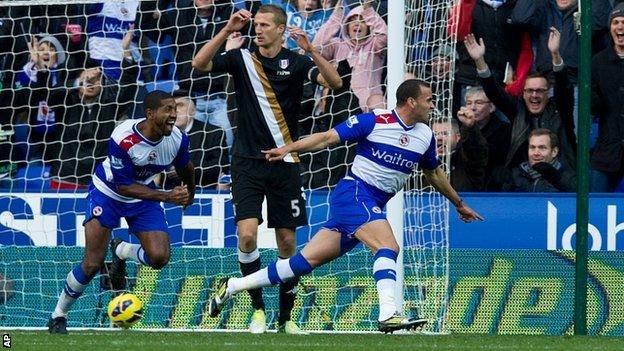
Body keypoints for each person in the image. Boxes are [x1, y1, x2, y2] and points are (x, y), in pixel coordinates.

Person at [206, 79, 484, 333]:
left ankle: (232, 286)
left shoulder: (424, 135)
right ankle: (389, 314)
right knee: (388, 247)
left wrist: (458, 204)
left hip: (372, 203)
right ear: (411, 102)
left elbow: (433, 173)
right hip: (354, 193)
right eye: (429, 99)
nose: (432, 104)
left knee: (303, 262)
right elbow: (328, 137)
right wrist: (289, 148)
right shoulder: (374, 121)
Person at [192, 5, 342, 334]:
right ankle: (258, 309)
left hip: (285, 162)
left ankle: (285, 318)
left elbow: (335, 82)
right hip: (246, 162)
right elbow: (199, 64)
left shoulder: (298, 61)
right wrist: (226, 29)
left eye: (264, 25)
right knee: (247, 237)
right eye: (255, 25)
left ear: (280, 29)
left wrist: (312, 50)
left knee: (288, 244)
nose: (257, 30)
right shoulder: (241, 58)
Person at [47, 90, 196, 334]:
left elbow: (185, 166)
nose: (173, 115)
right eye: (167, 110)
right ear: (150, 114)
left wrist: (191, 191)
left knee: (159, 258)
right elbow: (123, 185)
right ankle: (58, 315)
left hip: (144, 197)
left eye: (175, 109)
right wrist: (168, 196)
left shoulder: (178, 139)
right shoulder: (124, 137)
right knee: (92, 264)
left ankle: (121, 251)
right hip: (108, 194)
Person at [464, 27, 576, 170]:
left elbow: (564, 88)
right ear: (523, 94)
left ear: (548, 94)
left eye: (539, 91)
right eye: (529, 91)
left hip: (561, 176)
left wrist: (555, 54)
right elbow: (495, 93)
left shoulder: (560, 110)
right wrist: (479, 60)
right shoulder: (518, 111)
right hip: (524, 179)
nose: (534, 95)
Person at [590, 3, 624, 192]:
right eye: (616, 22)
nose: (620, 27)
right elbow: (594, 106)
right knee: (593, 204)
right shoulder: (598, 61)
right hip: (608, 151)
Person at [502, 128, 576, 192]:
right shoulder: (514, 176)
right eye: (532, 147)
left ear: (554, 152)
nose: (536, 153)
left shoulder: (567, 176)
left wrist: (555, 177)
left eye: (542, 148)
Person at [431, 112, 488, 192]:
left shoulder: (467, 159)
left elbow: (476, 148)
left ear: (457, 137)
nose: (439, 138)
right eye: (435, 134)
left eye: (445, 134)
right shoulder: (423, 161)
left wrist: (471, 127)